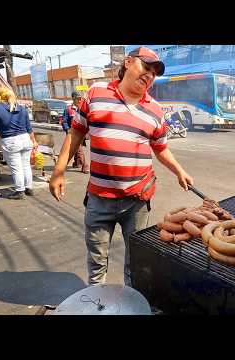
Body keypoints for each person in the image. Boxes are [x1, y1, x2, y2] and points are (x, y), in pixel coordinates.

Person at [49, 47, 194, 286]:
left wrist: (180, 171)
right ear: (127, 62)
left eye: (154, 73)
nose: (150, 75)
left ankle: (131, 305)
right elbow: (76, 133)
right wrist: (58, 170)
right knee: (97, 262)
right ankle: (97, 304)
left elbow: (161, 148)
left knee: (134, 262)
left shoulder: (155, 110)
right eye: (146, 67)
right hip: (99, 199)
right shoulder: (96, 93)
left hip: (137, 200)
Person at [0, 87, 38, 199]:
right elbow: (29, 128)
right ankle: (29, 188)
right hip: (25, 139)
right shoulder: (21, 108)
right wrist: (34, 141)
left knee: (16, 168)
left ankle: (20, 191)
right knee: (26, 166)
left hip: (11, 141)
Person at [61, 91, 89, 173]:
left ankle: (77, 163)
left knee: (77, 149)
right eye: (78, 99)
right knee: (79, 150)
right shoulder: (68, 110)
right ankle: (85, 166)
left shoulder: (83, 108)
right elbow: (64, 121)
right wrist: (68, 130)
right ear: (73, 99)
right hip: (73, 134)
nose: (80, 100)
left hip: (82, 133)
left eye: (81, 98)